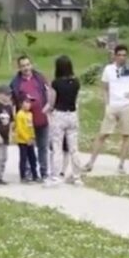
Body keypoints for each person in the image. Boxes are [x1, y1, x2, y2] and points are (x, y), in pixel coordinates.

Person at [85, 44, 129, 174]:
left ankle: (121, 164)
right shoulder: (108, 69)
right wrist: (106, 103)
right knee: (103, 134)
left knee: (126, 135)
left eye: (124, 55)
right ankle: (91, 162)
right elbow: (104, 87)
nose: (122, 58)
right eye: (119, 55)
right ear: (114, 56)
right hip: (112, 106)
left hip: (127, 105)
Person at [10, 55, 52, 180]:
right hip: (25, 122)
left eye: (27, 65)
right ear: (19, 68)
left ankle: (44, 172)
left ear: (31, 65)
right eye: (23, 66)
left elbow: (49, 93)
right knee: (27, 148)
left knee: (43, 147)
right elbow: (13, 101)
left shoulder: (40, 78)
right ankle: (28, 172)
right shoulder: (16, 83)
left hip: (41, 119)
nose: (26, 68)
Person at [45, 55, 83, 186]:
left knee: (57, 146)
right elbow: (76, 100)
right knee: (74, 148)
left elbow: (51, 103)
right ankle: (77, 176)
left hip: (59, 115)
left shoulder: (56, 83)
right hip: (72, 114)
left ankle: (55, 176)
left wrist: (45, 111)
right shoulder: (76, 82)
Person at [14, 96, 39, 182]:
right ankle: (23, 176)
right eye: (26, 102)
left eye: (29, 103)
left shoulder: (30, 114)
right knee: (23, 158)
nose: (28, 105)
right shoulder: (19, 114)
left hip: (30, 140)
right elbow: (20, 129)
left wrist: (32, 137)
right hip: (23, 141)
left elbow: (31, 127)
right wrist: (27, 138)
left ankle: (35, 175)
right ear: (21, 104)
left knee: (33, 158)